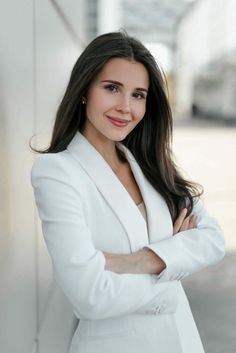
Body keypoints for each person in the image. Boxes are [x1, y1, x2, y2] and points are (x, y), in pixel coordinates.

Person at [31, 31, 225, 353]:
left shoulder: (148, 164)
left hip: (181, 342)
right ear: (83, 91)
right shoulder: (58, 173)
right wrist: (171, 270)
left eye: (138, 95)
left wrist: (135, 262)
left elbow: (213, 239)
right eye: (112, 88)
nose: (126, 107)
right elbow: (89, 295)